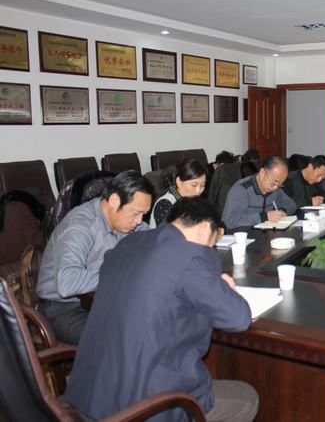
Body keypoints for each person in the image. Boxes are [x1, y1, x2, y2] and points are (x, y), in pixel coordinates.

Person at [64, 198, 258, 422]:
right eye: (213, 242)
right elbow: (238, 318)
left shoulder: (127, 244)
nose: (210, 248)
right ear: (206, 227)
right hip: (140, 408)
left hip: (87, 396)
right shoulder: (191, 255)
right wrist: (220, 286)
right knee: (246, 398)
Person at [36, 170, 154, 345]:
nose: (139, 221)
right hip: (62, 307)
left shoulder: (126, 222)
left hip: (98, 300)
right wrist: (118, 272)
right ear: (114, 201)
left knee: (155, 322)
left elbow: (155, 243)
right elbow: (67, 283)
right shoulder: (81, 226)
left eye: (143, 214)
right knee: (117, 340)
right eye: (135, 213)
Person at [222, 156, 297, 231]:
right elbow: (231, 221)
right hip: (242, 235)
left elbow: (291, 204)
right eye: (274, 182)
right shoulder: (241, 189)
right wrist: (264, 217)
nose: (276, 187)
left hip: (264, 233)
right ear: (262, 173)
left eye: (280, 184)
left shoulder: (275, 189)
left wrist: (282, 211)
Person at [150, 159, 207, 228]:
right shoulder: (165, 203)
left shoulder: (195, 201)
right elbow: (167, 233)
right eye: (194, 185)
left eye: (202, 185)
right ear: (179, 182)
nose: (198, 190)